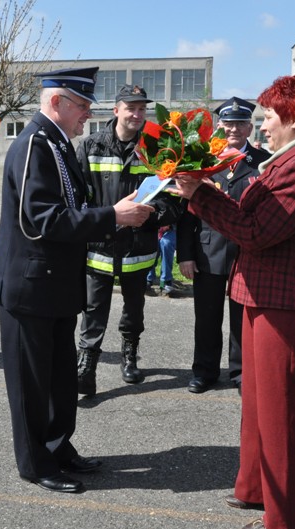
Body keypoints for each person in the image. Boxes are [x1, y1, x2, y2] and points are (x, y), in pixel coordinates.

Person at [172, 75, 295, 529]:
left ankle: (285, 520)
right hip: (262, 294)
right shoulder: (288, 161)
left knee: (281, 415)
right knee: (258, 406)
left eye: (268, 118)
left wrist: (200, 195)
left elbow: (256, 232)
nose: (262, 126)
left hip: (283, 301)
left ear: (294, 119)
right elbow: (252, 217)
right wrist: (203, 185)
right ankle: (254, 489)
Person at [0, 67, 153, 494]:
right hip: (29, 286)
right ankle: (35, 462)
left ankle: (58, 448)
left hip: (55, 284)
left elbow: (76, 205)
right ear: (57, 102)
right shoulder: (33, 146)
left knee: (59, 378)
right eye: (82, 106)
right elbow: (42, 219)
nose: (88, 115)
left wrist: (115, 210)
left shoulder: (58, 144)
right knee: (31, 384)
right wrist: (111, 216)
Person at [76, 84, 182, 396]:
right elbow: (77, 198)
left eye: (141, 109)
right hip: (99, 248)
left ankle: (130, 356)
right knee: (93, 310)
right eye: (130, 107)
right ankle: (87, 365)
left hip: (139, 250)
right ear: (116, 110)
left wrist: (148, 215)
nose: (137, 114)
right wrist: (105, 217)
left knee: (134, 310)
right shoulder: (90, 146)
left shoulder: (157, 150)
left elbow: (175, 202)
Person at [176, 97, 270, 394]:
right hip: (207, 251)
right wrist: (186, 255)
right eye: (228, 123)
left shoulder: (263, 161)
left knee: (243, 319)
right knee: (206, 317)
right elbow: (186, 211)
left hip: (247, 253)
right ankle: (204, 371)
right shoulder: (202, 159)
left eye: (241, 122)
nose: (234, 129)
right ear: (219, 126)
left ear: (249, 126)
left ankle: (241, 372)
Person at [146, 225, 178, 296]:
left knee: (166, 244)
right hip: (153, 228)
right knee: (151, 243)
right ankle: (148, 278)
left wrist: (170, 224)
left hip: (171, 229)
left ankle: (166, 281)